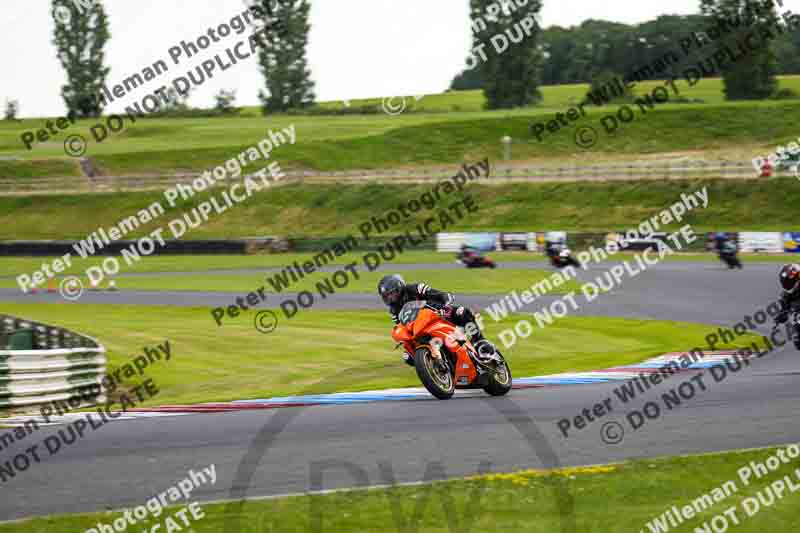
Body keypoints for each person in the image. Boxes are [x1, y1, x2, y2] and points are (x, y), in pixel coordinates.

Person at [377, 274, 496, 365]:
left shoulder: (414, 288)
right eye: (387, 296)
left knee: (462, 312)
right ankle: (435, 366)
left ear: (400, 288)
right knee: (407, 357)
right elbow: (401, 325)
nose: (391, 298)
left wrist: (445, 301)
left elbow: (436, 294)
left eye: (392, 294)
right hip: (420, 328)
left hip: (439, 312)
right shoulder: (394, 310)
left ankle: (480, 340)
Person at [776, 265, 800, 348]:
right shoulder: (785, 295)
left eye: (789, 282)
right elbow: (784, 310)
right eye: (785, 282)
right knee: (798, 342)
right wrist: (781, 316)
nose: (787, 284)